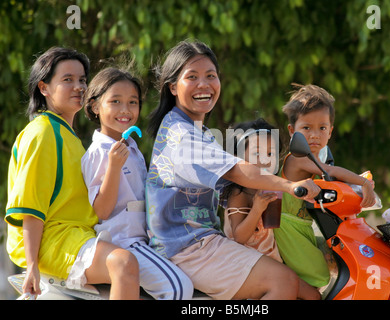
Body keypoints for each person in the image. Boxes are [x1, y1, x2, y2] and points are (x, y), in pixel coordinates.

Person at [146, 40, 321, 300]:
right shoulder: (181, 135)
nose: (204, 85)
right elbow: (237, 171)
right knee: (282, 281)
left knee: (307, 292)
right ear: (172, 87)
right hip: (187, 247)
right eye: (191, 77)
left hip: (197, 241)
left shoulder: (193, 129)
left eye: (211, 76)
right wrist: (289, 186)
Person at [4, 47, 140, 299]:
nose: (79, 87)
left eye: (82, 80)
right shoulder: (43, 133)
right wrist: (32, 265)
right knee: (124, 263)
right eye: (67, 80)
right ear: (44, 88)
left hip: (79, 236)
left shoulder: (69, 136)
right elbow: (31, 207)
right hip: (55, 241)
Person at [82, 67, 193, 300]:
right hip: (124, 242)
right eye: (115, 101)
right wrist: (113, 166)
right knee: (178, 288)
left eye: (133, 102)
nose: (125, 110)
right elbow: (101, 209)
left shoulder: (131, 147)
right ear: (94, 106)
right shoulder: (99, 152)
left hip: (145, 241)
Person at [274, 83, 377, 288]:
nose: (314, 135)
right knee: (319, 277)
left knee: (339, 260)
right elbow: (330, 171)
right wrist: (364, 182)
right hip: (287, 227)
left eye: (322, 128)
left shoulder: (318, 157)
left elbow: (332, 178)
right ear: (292, 130)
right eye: (306, 128)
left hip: (304, 226)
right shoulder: (297, 158)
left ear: (330, 131)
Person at [221, 118, 321, 299]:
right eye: (256, 153)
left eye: (270, 153)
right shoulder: (238, 193)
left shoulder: (271, 186)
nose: (264, 160)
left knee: (314, 295)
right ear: (239, 156)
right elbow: (239, 237)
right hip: (248, 264)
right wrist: (257, 209)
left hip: (272, 258)